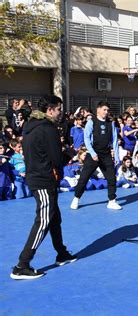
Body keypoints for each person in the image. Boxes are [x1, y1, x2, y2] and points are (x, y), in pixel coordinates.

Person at [11, 96, 77, 280]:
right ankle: (22, 265)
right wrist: (68, 155)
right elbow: (56, 159)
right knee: (44, 220)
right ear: (49, 109)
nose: (60, 112)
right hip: (44, 179)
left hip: (36, 176)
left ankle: (61, 253)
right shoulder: (48, 129)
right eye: (58, 109)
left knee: (54, 217)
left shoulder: (30, 126)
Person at [70, 101, 122, 210]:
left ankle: (112, 200)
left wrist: (116, 156)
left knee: (112, 178)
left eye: (107, 110)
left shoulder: (110, 123)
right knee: (84, 177)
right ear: (98, 110)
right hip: (93, 153)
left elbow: (115, 140)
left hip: (106, 154)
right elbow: (87, 139)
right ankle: (76, 198)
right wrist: (93, 153)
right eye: (104, 110)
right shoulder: (91, 122)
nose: (106, 112)